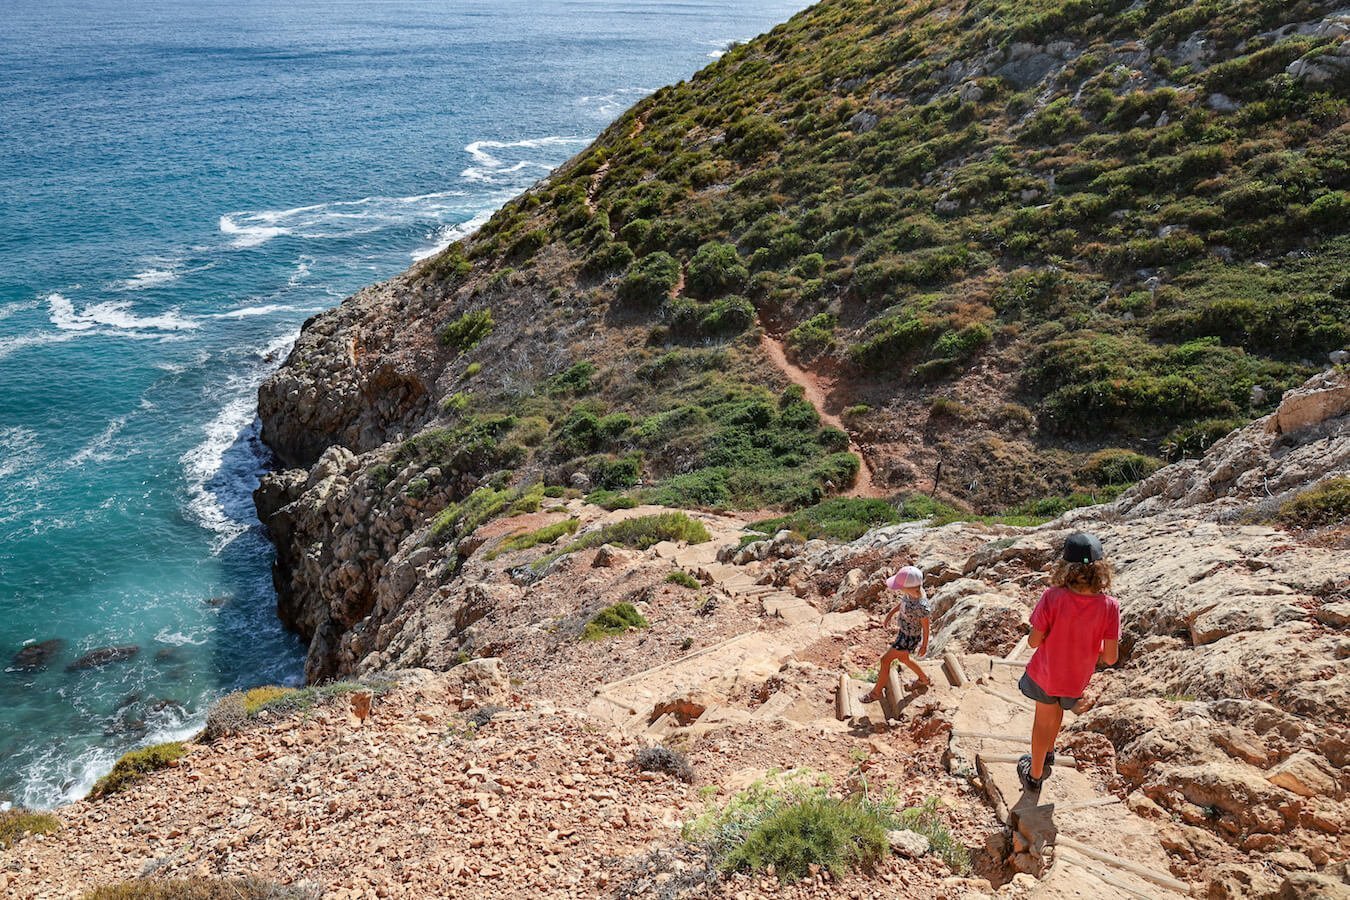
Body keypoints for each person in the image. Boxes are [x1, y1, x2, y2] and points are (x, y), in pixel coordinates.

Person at [1017, 532, 1120, 793]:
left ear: (1066, 567)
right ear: (1101, 568)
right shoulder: (1110, 606)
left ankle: (1035, 774)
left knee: (1043, 720)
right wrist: (1086, 649)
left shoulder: (1053, 597)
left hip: (1047, 673)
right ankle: (1049, 752)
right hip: (1076, 680)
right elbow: (1110, 657)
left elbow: (1032, 642)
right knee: (1059, 711)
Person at [863, 565, 933, 703]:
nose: (899, 589)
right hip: (904, 633)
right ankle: (924, 679)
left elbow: (926, 627)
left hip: (908, 638)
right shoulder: (912, 593)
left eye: (901, 586)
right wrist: (891, 614)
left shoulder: (921, 606)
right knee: (904, 659)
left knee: (885, 660)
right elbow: (903, 603)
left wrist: (924, 645)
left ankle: (876, 693)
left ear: (911, 588)